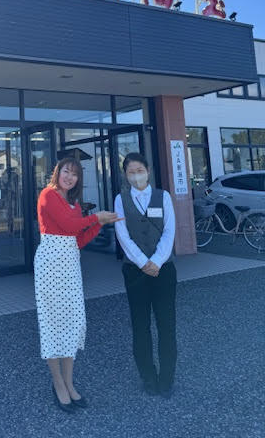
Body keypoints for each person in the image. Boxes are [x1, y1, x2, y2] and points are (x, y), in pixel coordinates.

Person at [34, 157, 122, 413]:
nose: (69, 177)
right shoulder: (48, 195)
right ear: (57, 172)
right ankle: (58, 383)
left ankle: (69, 382)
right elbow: (69, 226)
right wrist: (95, 216)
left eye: (74, 174)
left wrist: (99, 224)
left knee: (72, 322)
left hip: (70, 266)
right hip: (50, 266)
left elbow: (78, 239)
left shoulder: (73, 204)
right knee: (52, 323)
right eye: (66, 171)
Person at [114, 152, 177, 399]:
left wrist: (157, 261)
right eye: (131, 172)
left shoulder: (164, 196)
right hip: (134, 271)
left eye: (139, 171)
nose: (136, 176)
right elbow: (122, 235)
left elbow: (169, 231)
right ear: (125, 175)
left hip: (164, 269)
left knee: (166, 324)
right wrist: (143, 263)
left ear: (148, 171)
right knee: (140, 326)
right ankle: (148, 376)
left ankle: (166, 378)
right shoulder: (121, 199)